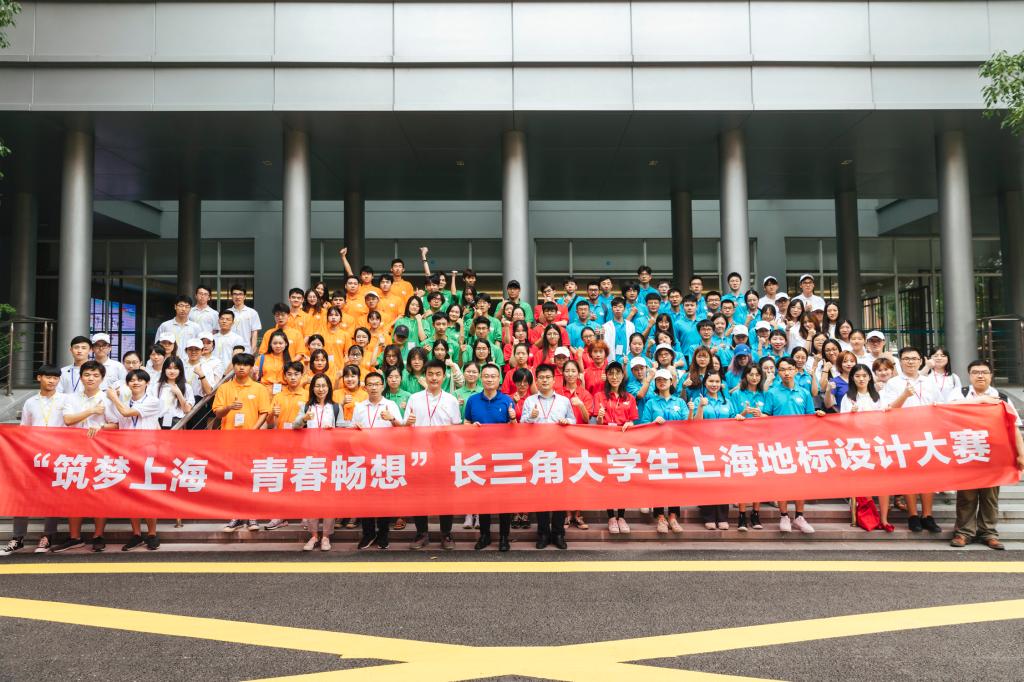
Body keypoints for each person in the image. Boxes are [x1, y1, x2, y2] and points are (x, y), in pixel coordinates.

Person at [949, 360, 1024, 550]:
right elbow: (948, 409)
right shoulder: (960, 393)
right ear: (969, 375)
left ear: (991, 375)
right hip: (966, 452)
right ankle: (963, 533)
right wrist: (981, 401)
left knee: (989, 497)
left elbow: (1014, 427)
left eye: (984, 372)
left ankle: (988, 533)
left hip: (994, 455)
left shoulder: (1002, 397)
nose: (980, 375)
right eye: (975, 372)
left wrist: (1021, 454)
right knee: (966, 496)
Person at [51, 360, 116, 553]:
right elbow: (68, 420)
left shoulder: (108, 399)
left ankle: (98, 535)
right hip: (74, 451)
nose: (91, 378)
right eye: (87, 375)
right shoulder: (70, 398)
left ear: (102, 378)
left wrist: (101, 426)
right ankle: (74, 537)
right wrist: (92, 411)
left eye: (96, 375)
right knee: (74, 492)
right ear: (81, 377)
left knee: (100, 492)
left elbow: (116, 424)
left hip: (100, 451)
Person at [1, 365, 65, 556]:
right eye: (48, 377)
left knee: (52, 495)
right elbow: (24, 428)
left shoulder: (65, 400)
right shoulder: (30, 402)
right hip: (34, 454)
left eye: (55, 378)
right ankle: (18, 537)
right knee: (23, 493)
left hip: (58, 455)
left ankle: (48, 536)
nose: (52, 381)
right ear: (39, 378)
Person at [882, 346, 942, 533]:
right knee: (909, 475)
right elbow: (889, 409)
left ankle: (928, 516)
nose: (910, 362)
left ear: (921, 361)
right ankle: (913, 515)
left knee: (928, 476)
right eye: (906, 358)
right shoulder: (893, 383)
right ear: (900, 362)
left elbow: (940, 406)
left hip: (928, 434)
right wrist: (904, 395)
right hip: (904, 434)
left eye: (914, 358)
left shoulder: (929, 382)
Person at [405, 359, 463, 550]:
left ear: (444, 376)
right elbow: (406, 426)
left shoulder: (451, 400)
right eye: (430, 374)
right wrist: (408, 423)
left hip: (443, 454)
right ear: (425, 376)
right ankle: (422, 533)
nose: (434, 378)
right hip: (420, 454)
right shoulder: (414, 398)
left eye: (438, 374)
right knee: (419, 495)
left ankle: (446, 533)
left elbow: (456, 428)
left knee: (445, 495)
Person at [764, 357, 825, 534]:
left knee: (800, 481)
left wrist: (818, 415)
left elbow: (810, 417)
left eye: (789, 369)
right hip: (780, 443)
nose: (786, 372)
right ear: (778, 372)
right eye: (782, 369)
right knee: (782, 480)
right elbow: (767, 416)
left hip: (800, 444)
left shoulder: (804, 393)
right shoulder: (772, 393)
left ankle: (799, 516)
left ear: (795, 370)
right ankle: (784, 515)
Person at [104, 369, 164, 550]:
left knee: (148, 494)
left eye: (140, 380)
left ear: (147, 383)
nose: (135, 382)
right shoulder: (123, 402)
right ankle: (136, 534)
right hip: (127, 453)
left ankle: (152, 534)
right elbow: (118, 424)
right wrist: (99, 427)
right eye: (132, 380)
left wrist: (113, 397)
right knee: (131, 494)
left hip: (148, 454)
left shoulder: (152, 401)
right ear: (128, 384)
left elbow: (127, 413)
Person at [464, 363, 519, 551]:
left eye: (493, 376)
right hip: (480, 457)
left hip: (503, 457)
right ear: (481, 378)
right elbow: (466, 423)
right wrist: (471, 427)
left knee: (504, 500)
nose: (489, 379)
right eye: (486, 376)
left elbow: (515, 430)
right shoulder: (472, 400)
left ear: (499, 379)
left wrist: (513, 419)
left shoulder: (507, 400)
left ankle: (504, 537)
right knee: (483, 499)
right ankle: (485, 535)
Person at [213, 353, 271, 533]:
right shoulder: (224, 388)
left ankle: (252, 515)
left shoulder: (259, 388)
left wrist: (253, 430)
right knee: (234, 479)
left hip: (252, 442)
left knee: (251, 477)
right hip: (229, 441)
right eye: (238, 364)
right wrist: (229, 407)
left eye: (245, 365)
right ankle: (235, 516)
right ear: (234, 366)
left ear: (252, 367)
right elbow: (217, 413)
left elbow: (264, 412)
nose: (241, 367)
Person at [521, 363, 576, 549]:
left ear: (554, 380)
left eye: (548, 377)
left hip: (559, 453)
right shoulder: (530, 401)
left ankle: (558, 533)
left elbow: (573, 421)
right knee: (541, 495)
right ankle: (543, 533)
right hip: (538, 454)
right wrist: (532, 417)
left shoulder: (564, 401)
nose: (544, 380)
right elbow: (521, 425)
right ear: (536, 380)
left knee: (560, 494)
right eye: (541, 378)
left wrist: (567, 421)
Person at [352, 370, 404, 550]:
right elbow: (352, 430)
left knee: (384, 497)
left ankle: (383, 534)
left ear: (383, 386)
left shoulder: (390, 405)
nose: (373, 388)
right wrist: (355, 428)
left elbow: (402, 428)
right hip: (364, 457)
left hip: (385, 457)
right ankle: (368, 534)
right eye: (370, 385)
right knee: (365, 497)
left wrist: (392, 419)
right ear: (365, 387)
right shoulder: (359, 407)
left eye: (377, 384)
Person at [838, 363, 894, 532]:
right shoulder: (848, 398)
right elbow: (842, 423)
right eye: (857, 376)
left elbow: (887, 418)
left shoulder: (879, 396)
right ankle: (870, 517)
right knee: (865, 482)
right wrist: (851, 415)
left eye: (864, 375)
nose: (861, 379)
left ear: (870, 377)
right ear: (852, 378)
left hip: (878, 443)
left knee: (884, 483)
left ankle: (884, 519)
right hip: (859, 445)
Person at [292, 373, 345, 551]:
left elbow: (342, 427)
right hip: (310, 457)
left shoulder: (336, 407)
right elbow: (294, 426)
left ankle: (326, 536)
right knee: (311, 497)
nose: (321, 389)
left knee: (329, 498)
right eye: (317, 386)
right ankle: (314, 535)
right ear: (312, 388)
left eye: (324, 386)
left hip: (330, 457)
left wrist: (335, 429)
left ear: (329, 387)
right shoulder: (306, 406)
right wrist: (303, 419)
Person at [639, 368, 689, 535]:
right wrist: (654, 422)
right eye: (658, 380)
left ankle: (673, 516)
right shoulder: (651, 403)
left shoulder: (679, 402)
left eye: (665, 380)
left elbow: (686, 423)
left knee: (675, 483)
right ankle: (660, 517)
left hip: (676, 448)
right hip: (656, 448)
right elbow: (644, 424)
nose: (661, 382)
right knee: (658, 482)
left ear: (671, 382)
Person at [155, 295, 202, 359]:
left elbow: (200, 347)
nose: (183, 309)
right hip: (169, 362)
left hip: (189, 362)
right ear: (175, 306)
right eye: (181, 305)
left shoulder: (196, 327)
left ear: (190, 309)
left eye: (187, 306)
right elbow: (157, 347)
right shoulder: (165, 326)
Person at [155, 357, 195, 429]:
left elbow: (187, 410)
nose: (172, 371)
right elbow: (152, 408)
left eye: (176, 368)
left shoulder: (187, 387)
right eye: (169, 368)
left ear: (180, 370)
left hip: (177, 422)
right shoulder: (157, 386)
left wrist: (179, 393)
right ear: (164, 370)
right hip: (158, 422)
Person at [227, 284, 262, 353]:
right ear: (231, 296)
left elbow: (254, 333)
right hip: (229, 348)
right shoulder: (227, 312)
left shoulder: (252, 312)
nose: (237, 297)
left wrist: (252, 350)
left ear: (245, 296)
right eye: (235, 294)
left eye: (240, 294)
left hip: (246, 349)